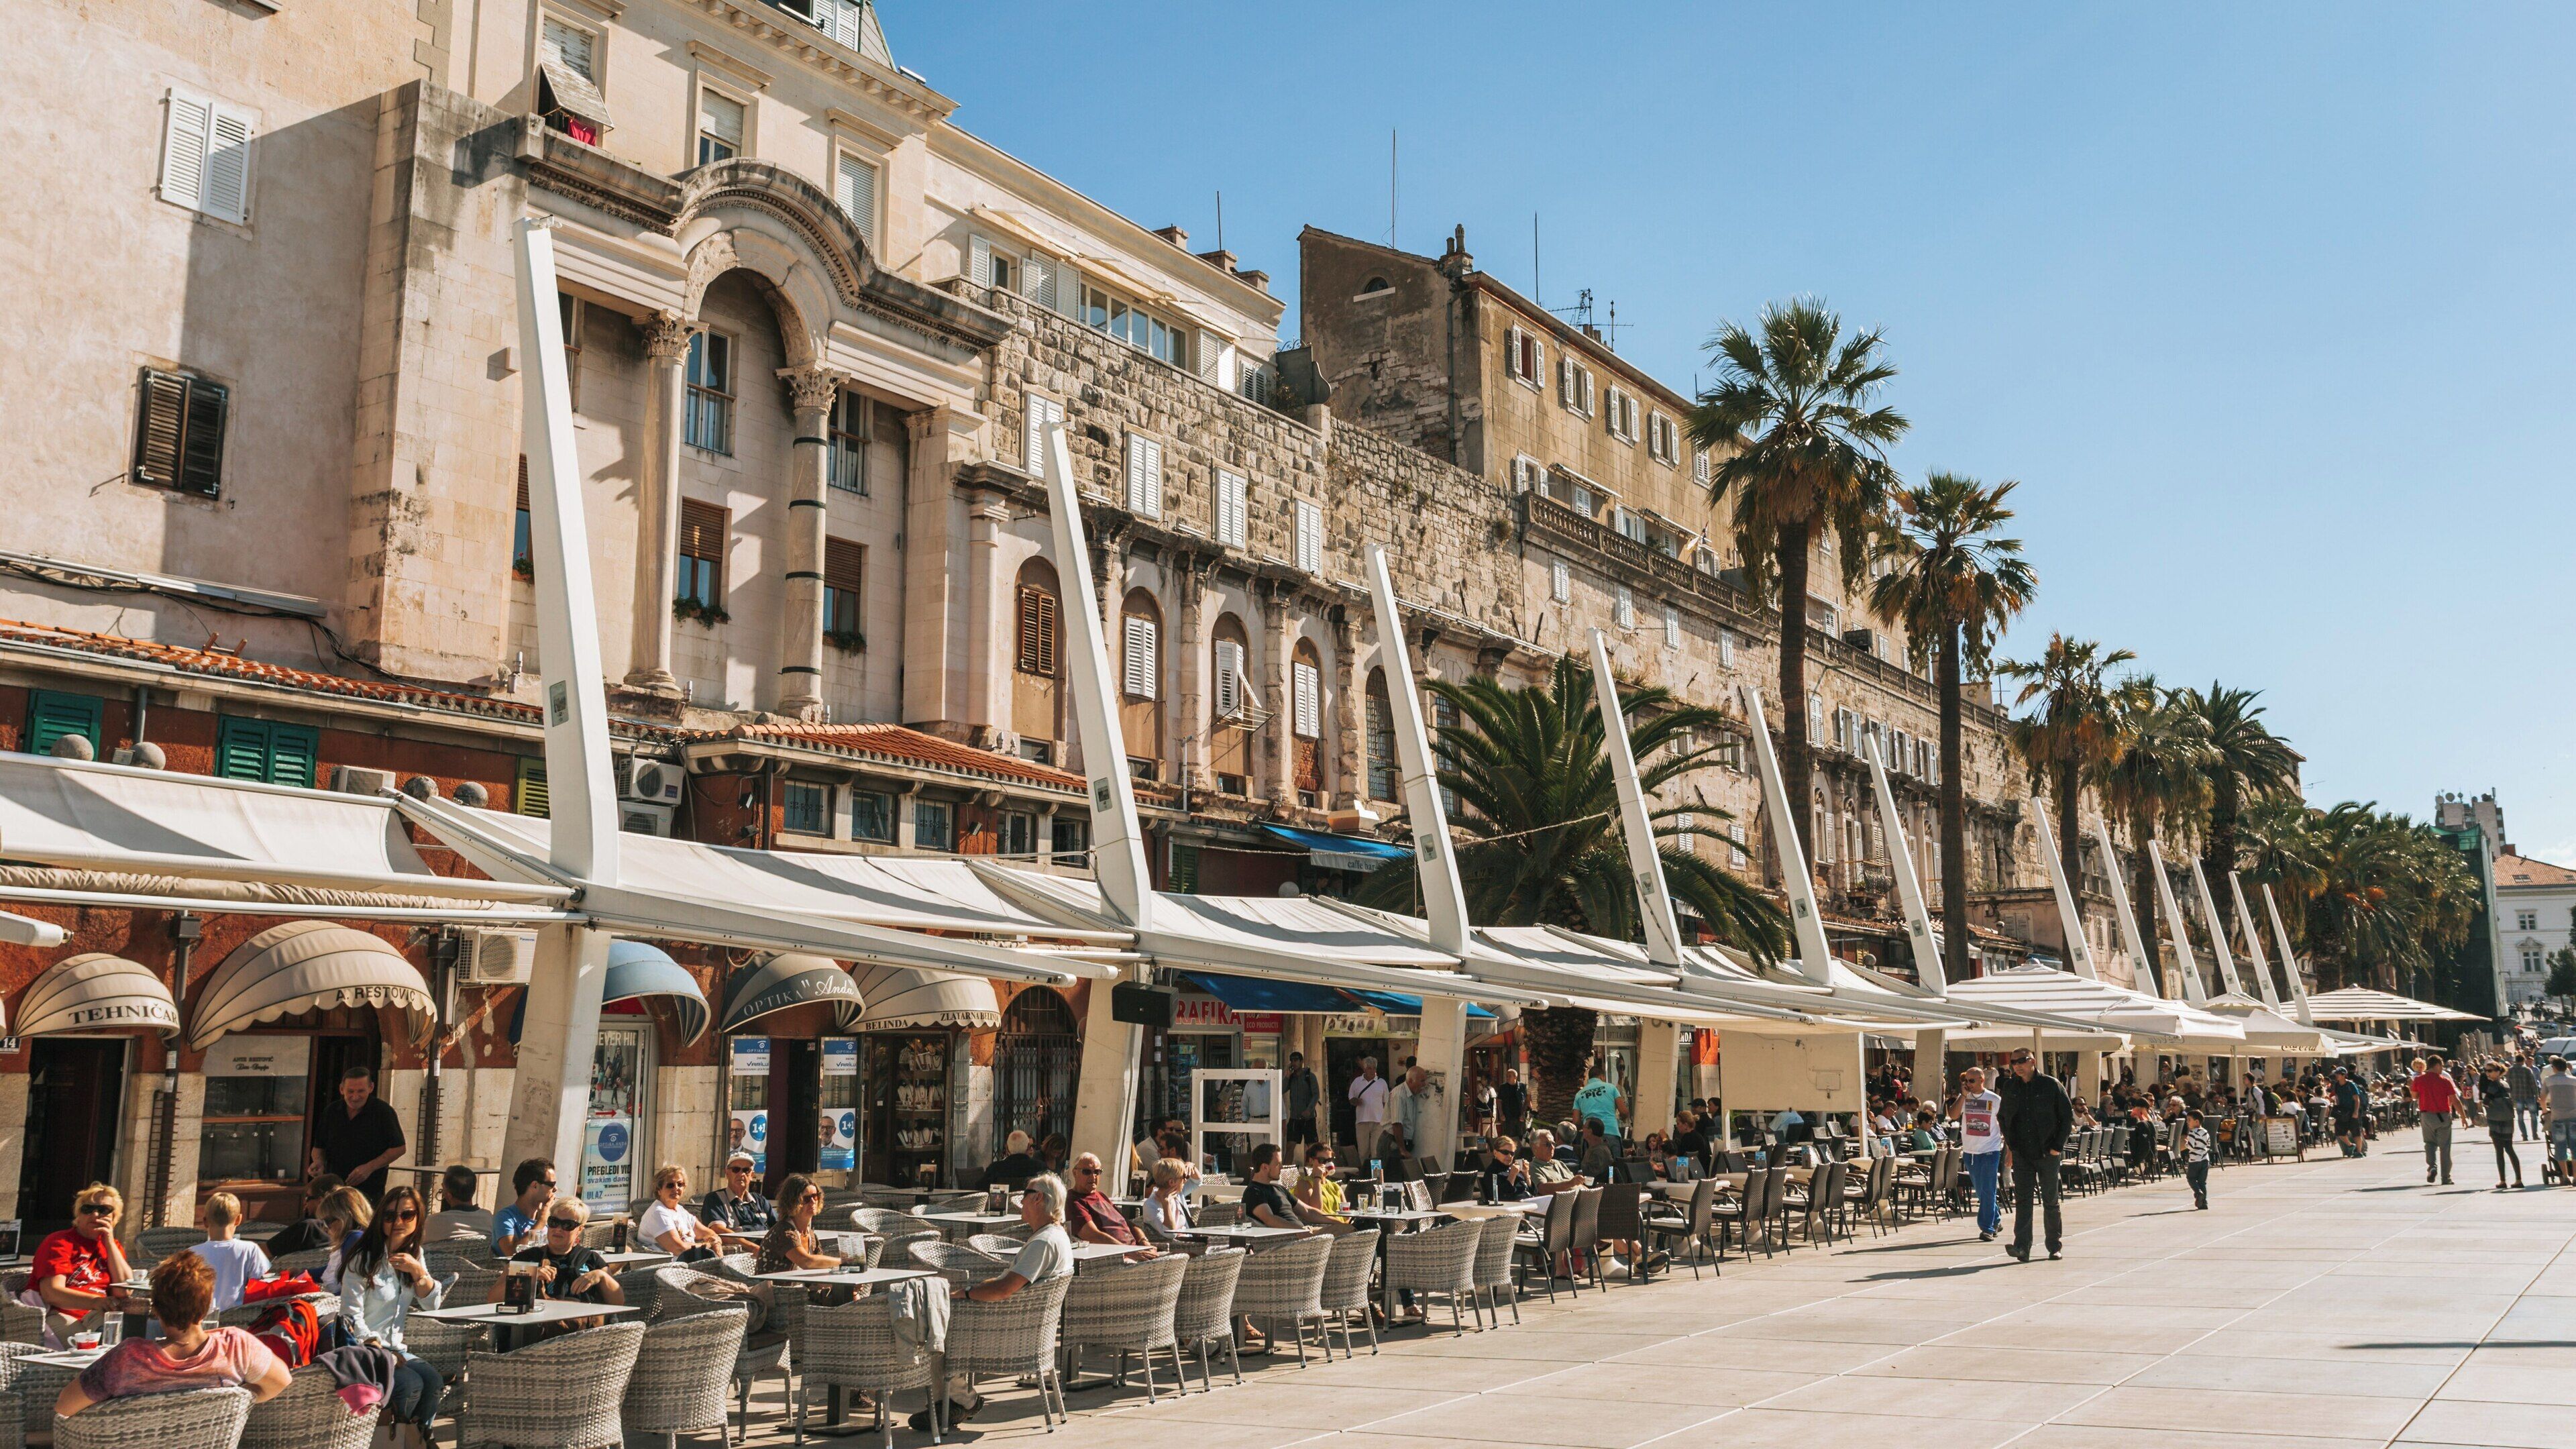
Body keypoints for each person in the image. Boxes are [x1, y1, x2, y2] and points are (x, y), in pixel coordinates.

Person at [908, 1175, 1077, 1432]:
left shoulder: (1044, 1242)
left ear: (1039, 1198)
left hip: (1005, 1331)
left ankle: (960, 1400)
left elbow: (1004, 1290)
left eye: (1025, 1193)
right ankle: (952, 1402)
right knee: (940, 1310)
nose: (1020, 1200)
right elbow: (1008, 1283)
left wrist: (965, 1294)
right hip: (1024, 1329)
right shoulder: (1056, 1237)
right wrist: (975, 1289)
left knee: (936, 1319)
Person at [52, 1252, 292, 1419]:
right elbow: (281, 1382)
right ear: (207, 1304)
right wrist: (236, 1402)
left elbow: (64, 1406)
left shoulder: (128, 1357)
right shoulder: (237, 1345)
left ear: (154, 1307)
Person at [334, 1184, 447, 1443]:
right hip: (369, 1349)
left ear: (418, 1218)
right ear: (380, 1220)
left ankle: (417, 1437)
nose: (398, 1222)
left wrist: (417, 1271)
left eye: (406, 1215)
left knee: (433, 1383)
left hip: (397, 1348)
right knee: (411, 1385)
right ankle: (396, 1440)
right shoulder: (363, 1259)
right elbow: (350, 1316)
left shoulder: (415, 1254)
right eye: (390, 1216)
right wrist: (378, 1347)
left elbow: (432, 1305)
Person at [28, 1183, 133, 1348]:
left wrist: (110, 1242)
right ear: (78, 1215)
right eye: (88, 1209)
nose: (95, 1214)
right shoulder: (59, 1242)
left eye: (104, 1210)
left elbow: (124, 1290)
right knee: (97, 1349)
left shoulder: (113, 1247)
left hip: (98, 1314)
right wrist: (95, 1301)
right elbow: (51, 1293)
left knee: (130, 1340)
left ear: (115, 1218)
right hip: (60, 1313)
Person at [1997, 1048, 2072, 1263]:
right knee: (2023, 1200)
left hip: (2047, 1152)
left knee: (2050, 1200)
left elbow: (2066, 1118)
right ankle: (2022, 1247)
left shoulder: (2051, 1085)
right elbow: (2003, 1117)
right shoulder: (2010, 1086)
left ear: (2033, 1061)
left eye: (2022, 1061)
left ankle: (2054, 1246)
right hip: (2022, 1153)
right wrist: (2012, 1145)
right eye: (2013, 1062)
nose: (2017, 1065)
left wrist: (2057, 1147)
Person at [496, 1196, 623, 1307]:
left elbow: (619, 1302)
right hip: (535, 1329)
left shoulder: (591, 1259)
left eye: (568, 1225)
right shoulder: (526, 1258)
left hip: (580, 1331)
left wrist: (601, 1276)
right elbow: (493, 1298)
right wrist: (529, 1277)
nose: (558, 1229)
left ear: (579, 1230)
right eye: (554, 1222)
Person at [307, 1063, 407, 1201]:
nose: (355, 1097)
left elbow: (399, 1148)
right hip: (333, 1191)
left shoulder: (383, 1112)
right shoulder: (331, 1111)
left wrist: (369, 1168)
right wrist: (318, 1162)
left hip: (368, 1192)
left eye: (361, 1091)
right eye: (350, 1091)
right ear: (342, 1089)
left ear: (371, 1088)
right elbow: (319, 1148)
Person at [189, 1191, 270, 1313]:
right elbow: (262, 1286)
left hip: (201, 1321)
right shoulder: (250, 1249)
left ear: (205, 1221)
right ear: (238, 1220)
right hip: (238, 1320)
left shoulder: (191, 1253)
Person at [755, 1174, 845, 1279]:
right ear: (792, 1202)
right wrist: (844, 1262)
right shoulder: (784, 1232)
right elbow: (806, 1262)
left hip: (800, 1292)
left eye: (815, 1196)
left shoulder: (810, 1235)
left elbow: (820, 1268)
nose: (813, 1202)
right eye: (806, 1199)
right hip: (774, 1292)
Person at [1063, 1152, 1152, 1255]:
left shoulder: (1101, 1195)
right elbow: (1093, 1236)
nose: (1093, 1176)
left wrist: (1143, 1241)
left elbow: (1126, 1223)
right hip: (1117, 1257)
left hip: (1134, 1250)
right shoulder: (1074, 1201)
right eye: (1087, 1172)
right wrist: (1129, 1252)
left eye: (1097, 1172)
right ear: (1075, 1173)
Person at [639, 1164, 727, 1260]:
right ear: (659, 1190)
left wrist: (717, 1245)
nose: (676, 1188)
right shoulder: (658, 1213)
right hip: (668, 1268)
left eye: (680, 1184)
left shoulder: (680, 1210)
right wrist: (708, 1245)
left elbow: (708, 1233)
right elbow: (679, 1249)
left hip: (691, 1263)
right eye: (670, 1185)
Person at [1957, 1067, 2005, 1242]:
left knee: (1988, 1189)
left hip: (1990, 1150)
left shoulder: (1995, 1099)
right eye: (1966, 1081)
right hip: (1970, 1151)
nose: (1968, 1084)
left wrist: (2010, 1149)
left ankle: (1987, 1228)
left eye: (1972, 1081)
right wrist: (1962, 1096)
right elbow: (1952, 1114)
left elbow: (2004, 1123)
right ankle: (1996, 1219)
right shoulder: (1964, 1098)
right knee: (1981, 1191)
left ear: (1982, 1080)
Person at [262, 1175, 346, 1260]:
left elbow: (261, 1253)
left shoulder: (308, 1228)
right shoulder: (345, 1229)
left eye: (308, 1197)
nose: (305, 1203)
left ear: (320, 1201)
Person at [700, 1150, 777, 1242]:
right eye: (736, 1170)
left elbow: (778, 1226)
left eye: (746, 1170)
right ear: (727, 1173)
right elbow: (718, 1231)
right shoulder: (715, 1199)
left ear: (752, 1175)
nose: (741, 1174)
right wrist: (752, 1247)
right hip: (737, 1253)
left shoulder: (760, 1200)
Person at [2408, 1056, 2462, 1185]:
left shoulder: (2419, 1080)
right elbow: (2455, 1100)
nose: (2442, 1069)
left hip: (2426, 1116)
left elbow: (2414, 1097)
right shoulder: (2445, 1081)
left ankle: (2432, 1166)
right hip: (2443, 1116)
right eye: (2442, 1066)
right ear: (2437, 1065)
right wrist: (2464, 1117)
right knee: (2445, 1147)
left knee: (2429, 1143)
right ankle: (2446, 1177)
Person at [492, 1157, 557, 1256]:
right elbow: (511, 1254)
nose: (555, 1189)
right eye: (552, 1184)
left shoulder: (549, 1217)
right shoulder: (505, 1217)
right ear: (535, 1185)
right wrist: (541, 1222)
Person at [2477, 1061, 2524, 1191]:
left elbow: (2486, 1102)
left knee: (2499, 1151)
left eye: (2491, 1070)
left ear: (2498, 1071)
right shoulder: (2505, 1083)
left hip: (2496, 1120)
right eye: (2486, 1070)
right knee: (2510, 1149)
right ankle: (2518, 1179)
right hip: (2508, 1119)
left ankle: (2503, 1180)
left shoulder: (2493, 1085)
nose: (2488, 1073)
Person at [423, 1164, 495, 1244]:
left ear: (448, 1195)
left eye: (443, 1188)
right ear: (474, 1190)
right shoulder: (488, 1217)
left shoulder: (434, 1221)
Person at [1293, 1142, 1354, 1225]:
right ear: (1311, 1161)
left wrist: (1347, 1225)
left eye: (1329, 1160)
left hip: (1342, 1228)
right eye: (1322, 1160)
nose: (1326, 1164)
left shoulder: (1336, 1187)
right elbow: (1315, 1211)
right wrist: (1317, 1179)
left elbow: (1346, 1214)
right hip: (1323, 1228)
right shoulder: (1304, 1183)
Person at [1349, 1057, 1391, 1168]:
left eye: (1374, 1068)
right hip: (1362, 1121)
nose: (1372, 1071)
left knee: (1376, 1151)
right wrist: (1356, 1101)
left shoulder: (1382, 1083)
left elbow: (1386, 1103)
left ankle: (1376, 1176)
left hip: (1378, 1122)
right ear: (1365, 1069)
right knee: (1363, 1151)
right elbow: (1351, 1098)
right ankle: (1365, 1174)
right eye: (1369, 1068)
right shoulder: (1357, 1082)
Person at [978, 1130, 1049, 1191]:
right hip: (1030, 1205)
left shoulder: (995, 1168)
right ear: (1028, 1147)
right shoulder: (1040, 1167)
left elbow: (981, 1188)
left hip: (1002, 1206)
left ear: (1007, 1148)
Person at [1140, 1159, 1194, 1236]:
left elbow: (1198, 1181)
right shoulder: (1150, 1205)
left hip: (1190, 1243)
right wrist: (1166, 1204)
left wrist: (1191, 1165)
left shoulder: (1176, 1196)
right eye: (1184, 1177)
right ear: (1172, 1182)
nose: (1185, 1180)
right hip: (1174, 1247)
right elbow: (1170, 1234)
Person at [2543, 1057, 2576, 1183]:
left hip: (2557, 1117)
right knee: (2575, 1147)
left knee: (2560, 1147)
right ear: (2566, 1068)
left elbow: (2542, 1099)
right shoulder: (2574, 1081)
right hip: (2574, 1117)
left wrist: (2545, 1111)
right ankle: (2575, 1177)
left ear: (2554, 1068)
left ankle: (2565, 1176)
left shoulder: (2549, 1080)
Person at [1573, 1063, 1622, 1141]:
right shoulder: (1611, 1088)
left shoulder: (1579, 1094)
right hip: (1611, 1133)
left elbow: (1576, 1122)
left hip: (1590, 1136)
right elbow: (1624, 1111)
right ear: (1602, 1077)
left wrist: (1585, 1125)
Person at [1475, 1136, 1532, 1201]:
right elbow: (1503, 1196)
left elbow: (1533, 1192)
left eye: (1512, 1153)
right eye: (1505, 1152)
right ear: (1495, 1153)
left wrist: (1526, 1175)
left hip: (1528, 1203)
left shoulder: (1514, 1168)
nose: (1510, 1156)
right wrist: (1512, 1175)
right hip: (1512, 1207)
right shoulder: (1493, 1172)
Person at [1283, 1052, 1321, 1149]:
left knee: (1312, 1147)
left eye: (1296, 1060)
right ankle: (1287, 1165)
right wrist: (1287, 1076)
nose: (1293, 1063)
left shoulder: (1310, 1076)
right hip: (1295, 1118)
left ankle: (1313, 1164)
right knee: (1290, 1146)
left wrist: (1309, 1109)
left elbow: (1316, 1095)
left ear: (1301, 1062)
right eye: (1292, 1061)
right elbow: (1282, 1090)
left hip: (1308, 1118)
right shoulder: (1291, 1077)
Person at [2332, 1067, 2369, 1157]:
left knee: (2356, 1132)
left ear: (2344, 1075)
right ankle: (2351, 1146)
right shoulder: (2337, 1085)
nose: (2336, 1075)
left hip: (2352, 1110)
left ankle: (2359, 1152)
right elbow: (2337, 1097)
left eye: (2338, 1074)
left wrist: (2356, 1112)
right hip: (2343, 1111)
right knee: (2339, 1132)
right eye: (2336, 1074)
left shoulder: (2351, 1085)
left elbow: (2357, 1099)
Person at [2182, 1110, 2213, 1210]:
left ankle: (2198, 1193)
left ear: (2197, 1122)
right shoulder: (2206, 1132)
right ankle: (2204, 1203)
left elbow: (2190, 1146)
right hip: (2205, 1159)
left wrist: (2187, 1143)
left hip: (2195, 1160)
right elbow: (2208, 1146)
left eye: (2189, 1120)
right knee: (2202, 1182)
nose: (2188, 1122)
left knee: (2191, 1178)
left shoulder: (2192, 1133)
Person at [2510, 1054, 2543, 1142]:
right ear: (2523, 1061)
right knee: (2533, 1115)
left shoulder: (2510, 1070)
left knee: (2520, 1116)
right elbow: (2533, 1083)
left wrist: (2511, 1096)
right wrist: (2537, 1095)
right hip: (2529, 1095)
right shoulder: (2527, 1070)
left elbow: (2509, 1084)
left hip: (2517, 1096)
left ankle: (2524, 1136)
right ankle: (2535, 1134)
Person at [1495, 1068, 1530, 1140]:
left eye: (1509, 1076)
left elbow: (1527, 1100)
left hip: (1520, 1117)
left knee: (1522, 1138)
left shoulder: (1522, 1087)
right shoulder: (1503, 1087)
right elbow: (1499, 1101)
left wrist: (1523, 1113)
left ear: (1515, 1077)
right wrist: (1501, 1114)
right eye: (1507, 1076)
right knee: (1509, 1138)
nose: (1507, 1078)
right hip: (1508, 1117)